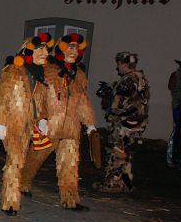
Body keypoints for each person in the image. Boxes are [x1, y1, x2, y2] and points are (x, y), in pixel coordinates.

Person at [20, 33, 96, 210]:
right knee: (36, 157)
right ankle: (22, 182)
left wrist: (90, 124)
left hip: (71, 127)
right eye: (70, 47)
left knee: (70, 164)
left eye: (76, 48)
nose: (73, 51)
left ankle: (70, 200)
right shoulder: (49, 69)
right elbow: (39, 95)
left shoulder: (79, 76)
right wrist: (41, 119)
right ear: (62, 48)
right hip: (50, 125)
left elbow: (83, 101)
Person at [0, 34, 52, 215]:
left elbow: (40, 102)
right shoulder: (14, 71)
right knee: (16, 160)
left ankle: (10, 194)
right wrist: (0, 122)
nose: (45, 53)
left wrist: (42, 119)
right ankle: (10, 202)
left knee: (19, 160)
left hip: (28, 127)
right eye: (40, 49)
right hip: (13, 124)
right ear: (29, 51)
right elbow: (3, 98)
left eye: (46, 50)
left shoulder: (41, 75)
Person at [94, 52, 150, 192]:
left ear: (124, 64)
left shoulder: (128, 80)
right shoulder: (141, 78)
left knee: (116, 152)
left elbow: (117, 106)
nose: (117, 67)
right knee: (126, 154)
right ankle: (127, 184)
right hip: (136, 124)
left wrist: (107, 96)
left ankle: (113, 184)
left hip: (124, 124)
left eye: (118, 64)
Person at [167, 60, 181, 167]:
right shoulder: (175, 76)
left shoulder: (175, 75)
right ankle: (173, 157)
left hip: (177, 106)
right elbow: (171, 87)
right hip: (178, 106)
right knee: (177, 131)